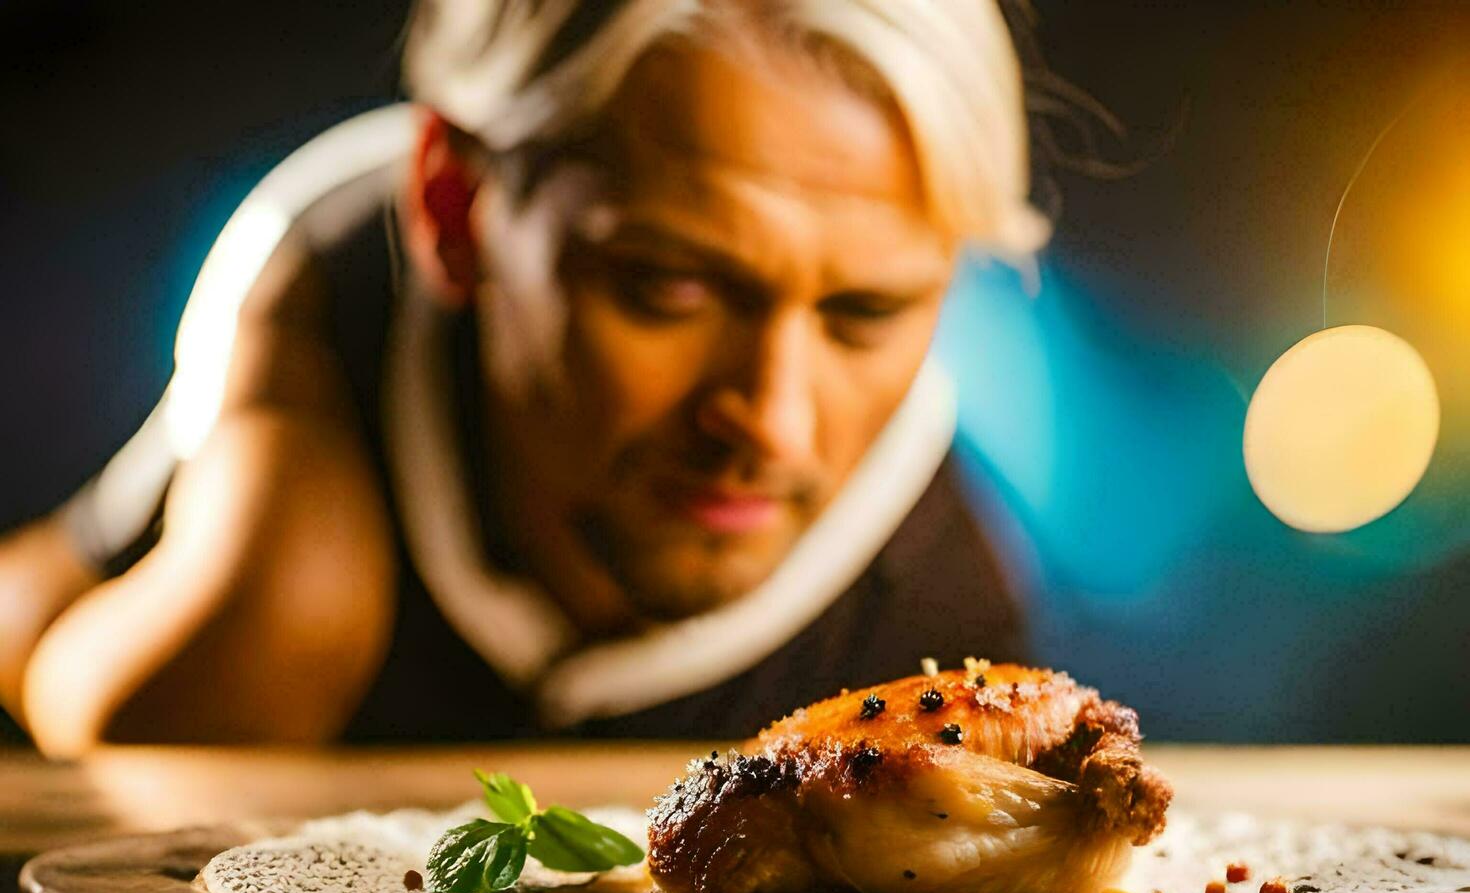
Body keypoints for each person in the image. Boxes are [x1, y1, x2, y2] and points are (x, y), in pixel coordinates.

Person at [0, 0, 1048, 757]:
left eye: (865, 314)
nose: (772, 421)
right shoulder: (334, 312)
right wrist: (257, 611)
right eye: (667, 288)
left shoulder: (939, 606)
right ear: (454, 206)